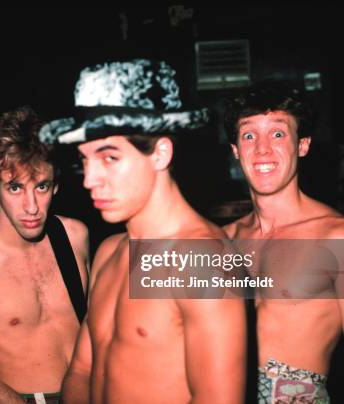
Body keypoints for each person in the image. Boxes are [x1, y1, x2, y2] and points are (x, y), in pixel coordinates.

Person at [40, 58, 247, 403]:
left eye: (109, 158)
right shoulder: (110, 251)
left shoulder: (204, 261)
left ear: (161, 153)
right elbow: (81, 370)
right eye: (84, 160)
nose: (90, 179)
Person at [222, 81, 344, 403]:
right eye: (249, 135)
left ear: (303, 145)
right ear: (236, 150)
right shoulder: (221, 241)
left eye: (278, 134)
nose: (262, 149)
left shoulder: (340, 238)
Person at [0, 106, 89, 404]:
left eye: (42, 186)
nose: (32, 206)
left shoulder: (75, 236)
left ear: (56, 184)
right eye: (15, 187)